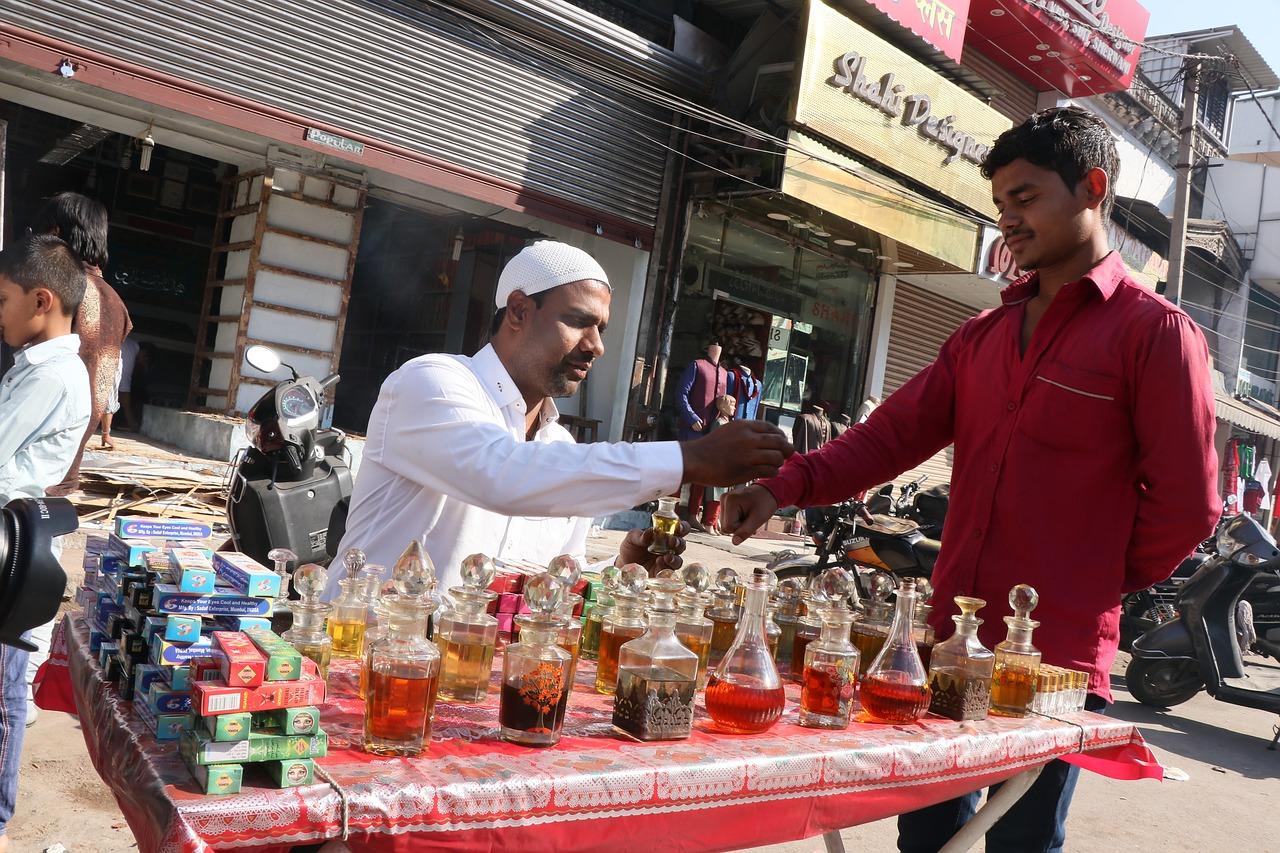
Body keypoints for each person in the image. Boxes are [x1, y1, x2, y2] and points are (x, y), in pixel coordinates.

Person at [722, 106, 1219, 853]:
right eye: (999, 206)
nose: (1008, 222)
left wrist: (1091, 581)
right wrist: (785, 484)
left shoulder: (1156, 333)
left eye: (1025, 199)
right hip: (944, 645)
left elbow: (1189, 506)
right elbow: (889, 437)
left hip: (1052, 663)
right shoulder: (979, 338)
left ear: (1092, 187)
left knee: (1021, 842)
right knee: (926, 840)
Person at [325, 241, 791, 596]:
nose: (596, 346)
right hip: (360, 658)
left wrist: (622, 571)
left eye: (601, 329)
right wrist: (688, 459)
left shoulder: (559, 451)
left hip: (464, 682)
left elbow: (548, 589)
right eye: (578, 321)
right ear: (519, 311)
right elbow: (501, 477)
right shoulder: (433, 382)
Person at [0, 234, 91, 853]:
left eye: (2, 299)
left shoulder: (53, 377)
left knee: (3, 693)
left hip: (12, 556)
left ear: (41, 300)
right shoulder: (35, 368)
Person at [35, 193, 132, 494]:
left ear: (57, 233)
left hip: (22, 465)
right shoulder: (116, 303)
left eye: (45, 231)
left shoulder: (48, 288)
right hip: (62, 468)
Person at [675, 341, 730, 531]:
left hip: (711, 432)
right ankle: (676, 511)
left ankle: (693, 513)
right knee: (683, 472)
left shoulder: (724, 373)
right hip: (692, 430)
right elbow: (681, 393)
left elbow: (722, 402)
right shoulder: (697, 365)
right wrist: (691, 417)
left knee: (701, 477)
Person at [699, 394, 737, 534]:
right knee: (714, 495)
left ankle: (714, 523)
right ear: (723, 406)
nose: (734, 408)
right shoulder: (719, 423)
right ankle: (709, 522)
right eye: (731, 404)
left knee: (721, 495)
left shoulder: (726, 423)